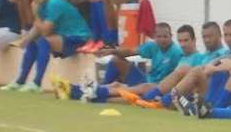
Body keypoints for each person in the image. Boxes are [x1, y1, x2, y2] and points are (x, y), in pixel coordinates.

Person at [52, 22, 182, 103]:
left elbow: (179, 77)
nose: (162, 39)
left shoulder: (176, 52)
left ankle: (79, 91)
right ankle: (99, 88)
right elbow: (130, 52)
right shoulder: (152, 46)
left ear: (171, 36)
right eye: (159, 36)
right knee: (117, 60)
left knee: (132, 90)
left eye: (165, 36)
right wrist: (112, 51)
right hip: (146, 82)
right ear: (154, 37)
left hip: (158, 88)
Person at [0, 0, 91, 92]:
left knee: (43, 40)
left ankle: (37, 83)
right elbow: (39, 26)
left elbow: (45, 31)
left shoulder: (54, 3)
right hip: (64, 37)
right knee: (32, 42)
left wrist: (35, 13)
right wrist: (26, 40)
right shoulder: (42, 4)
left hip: (79, 38)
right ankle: (20, 81)